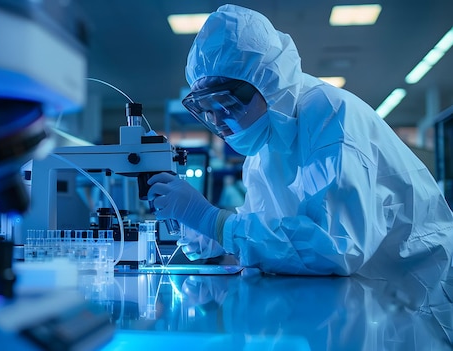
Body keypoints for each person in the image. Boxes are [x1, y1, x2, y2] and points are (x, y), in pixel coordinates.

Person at [147, 4, 453, 282]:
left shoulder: (331, 117)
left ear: (267, 83)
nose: (216, 122)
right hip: (370, 295)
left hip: (417, 294)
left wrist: (211, 219)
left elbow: (333, 246)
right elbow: (276, 228)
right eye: (206, 111)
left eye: (225, 105)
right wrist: (209, 232)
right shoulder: (265, 142)